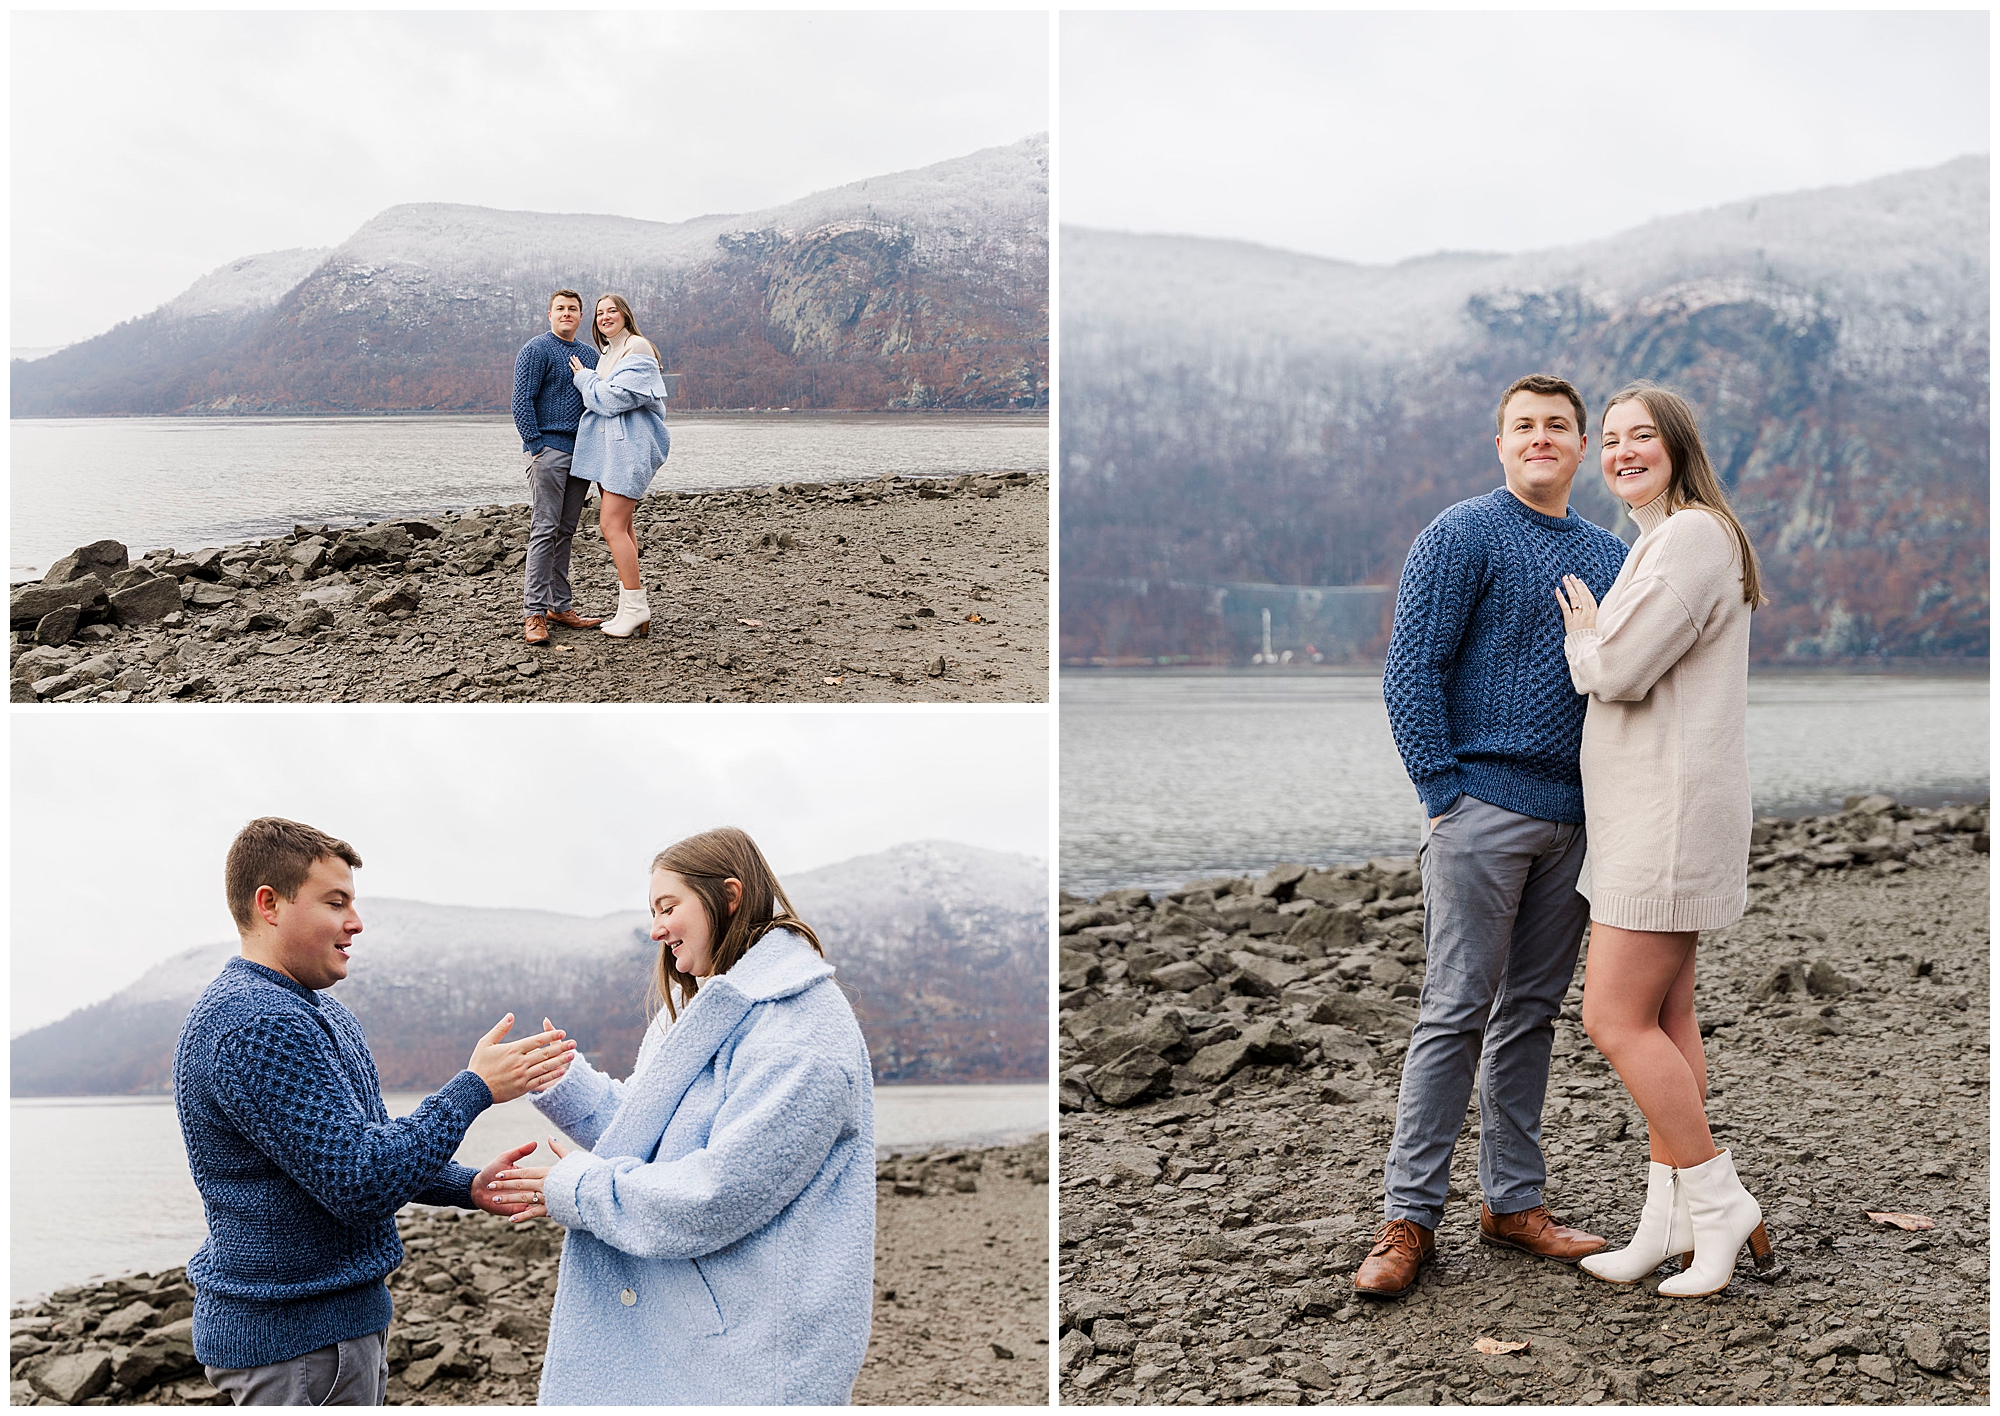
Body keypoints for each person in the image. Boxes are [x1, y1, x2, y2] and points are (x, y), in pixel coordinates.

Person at [1358, 373, 1630, 1299]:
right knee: (1453, 1010)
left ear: (1582, 446)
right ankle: (1407, 1220)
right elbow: (1411, 671)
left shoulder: (1608, 551)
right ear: (1500, 443)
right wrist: (1443, 795)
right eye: (1525, 426)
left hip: (1576, 821)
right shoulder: (1461, 533)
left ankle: (1514, 1204)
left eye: (1559, 425)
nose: (1542, 437)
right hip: (1480, 812)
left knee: (1532, 1015)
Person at [176, 817, 576, 1405]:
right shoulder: (257, 1023)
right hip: (297, 1345)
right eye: (335, 903)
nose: (355, 923)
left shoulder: (312, 1010)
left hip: (329, 1333)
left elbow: (368, 1146)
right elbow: (361, 1182)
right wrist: (474, 1089)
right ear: (270, 904)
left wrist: (468, 1187)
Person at [485, 827, 875, 1405]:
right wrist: (562, 1081)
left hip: (752, 1350)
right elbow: (653, 1137)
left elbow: (721, 1192)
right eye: (653, 911)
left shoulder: (802, 1030)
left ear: (730, 895)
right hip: (693, 1332)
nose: (656, 928)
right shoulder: (699, 1009)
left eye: (670, 907)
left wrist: (580, 1190)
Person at [1556, 381, 1773, 1297]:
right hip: (1652, 812)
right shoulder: (1669, 540)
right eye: (1610, 440)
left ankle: (1720, 1203)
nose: (1621, 451)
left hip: (1667, 818)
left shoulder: (1688, 537)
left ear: (1679, 446)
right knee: (1666, 1019)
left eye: (1641, 436)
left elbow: (1618, 671)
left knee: (1610, 1017)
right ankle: (1668, 1219)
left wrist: (1583, 638)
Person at [567, 293, 672, 639]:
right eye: (599, 313)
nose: (605, 316)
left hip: (631, 449)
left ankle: (637, 607)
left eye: (612, 311)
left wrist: (584, 380)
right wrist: (594, 382)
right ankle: (629, 609)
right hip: (614, 449)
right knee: (623, 527)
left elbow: (612, 400)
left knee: (610, 525)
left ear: (625, 315)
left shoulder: (638, 348)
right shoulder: (610, 353)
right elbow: (605, 395)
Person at [512, 289, 603, 646]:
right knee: (544, 529)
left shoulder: (589, 355)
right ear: (549, 314)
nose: (567, 313)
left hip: (581, 455)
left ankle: (559, 606)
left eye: (573, 309)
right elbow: (522, 400)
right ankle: (533, 613)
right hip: (548, 450)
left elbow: (596, 398)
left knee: (565, 531)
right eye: (560, 308)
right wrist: (535, 446)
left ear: (580, 316)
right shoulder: (536, 349)